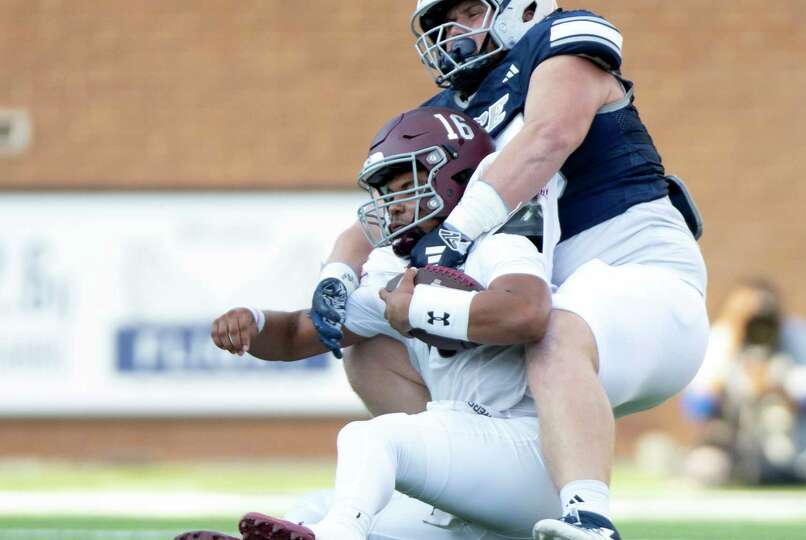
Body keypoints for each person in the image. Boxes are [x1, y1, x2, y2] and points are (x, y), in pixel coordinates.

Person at [310, 2, 710, 538]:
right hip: (558, 322)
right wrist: (335, 273)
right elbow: (385, 214)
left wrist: (458, 231)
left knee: (554, 328)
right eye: (439, 23)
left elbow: (549, 136)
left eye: (470, 11)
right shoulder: (451, 112)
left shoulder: (559, 41)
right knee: (373, 348)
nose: (451, 32)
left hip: (645, 284)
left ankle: (590, 518)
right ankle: (466, 485)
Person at [183, 107, 562, 540]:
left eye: (406, 188)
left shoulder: (498, 239)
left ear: (455, 178)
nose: (394, 207)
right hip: (470, 465)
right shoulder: (397, 271)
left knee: (370, 440)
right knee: (315, 506)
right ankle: (332, 528)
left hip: (529, 455)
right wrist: (251, 322)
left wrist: (418, 310)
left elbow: (528, 312)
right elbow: (295, 336)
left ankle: (338, 536)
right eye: (387, 195)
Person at [681, 278, 806, 487]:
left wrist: (774, 389)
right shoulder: (721, 339)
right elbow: (698, 407)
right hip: (740, 455)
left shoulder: (798, 336)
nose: (757, 323)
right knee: (704, 468)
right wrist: (730, 350)